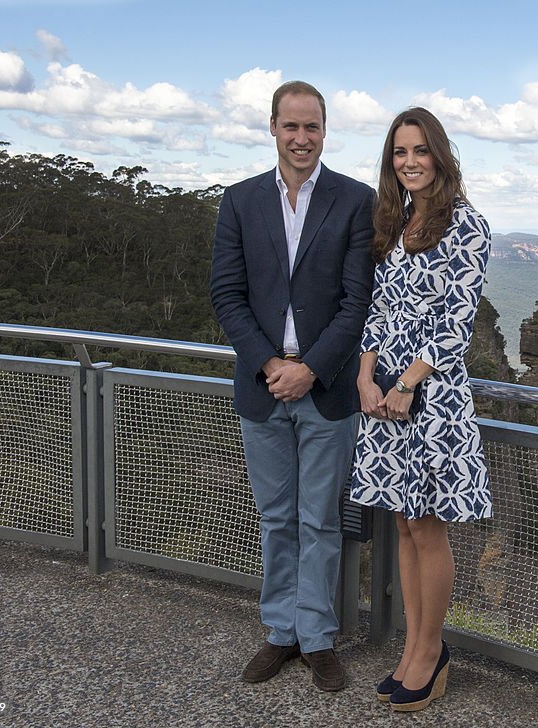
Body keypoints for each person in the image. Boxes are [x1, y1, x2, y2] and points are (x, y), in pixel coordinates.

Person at [209, 80, 374, 692]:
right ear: (272, 128)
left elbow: (358, 300)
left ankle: (319, 638)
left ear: (325, 131)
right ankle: (281, 633)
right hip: (262, 387)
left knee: (321, 521)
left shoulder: (354, 201)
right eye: (291, 126)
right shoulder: (240, 201)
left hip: (326, 388)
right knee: (277, 518)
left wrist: (311, 368)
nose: (301, 138)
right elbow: (226, 294)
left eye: (312, 127)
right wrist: (269, 365)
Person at [349, 107, 492, 712]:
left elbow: (455, 323)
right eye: (399, 153)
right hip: (384, 394)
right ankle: (412, 648)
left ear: (440, 154)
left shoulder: (468, 225)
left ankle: (431, 653)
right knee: (403, 526)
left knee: (428, 529)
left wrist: (407, 382)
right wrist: (364, 375)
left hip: (431, 398)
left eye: (419, 151)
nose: (409, 162)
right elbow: (379, 310)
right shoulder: (398, 221)